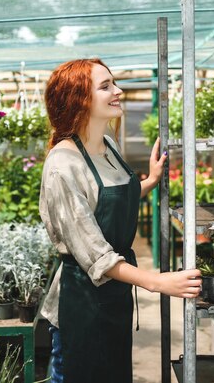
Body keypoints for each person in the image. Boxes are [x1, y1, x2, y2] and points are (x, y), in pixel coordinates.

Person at [39, 58, 202, 383]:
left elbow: (106, 201)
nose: (118, 91)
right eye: (106, 86)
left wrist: (150, 182)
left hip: (115, 295)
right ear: (79, 99)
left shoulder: (108, 146)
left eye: (113, 83)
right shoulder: (62, 164)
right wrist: (157, 282)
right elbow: (95, 255)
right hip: (83, 301)